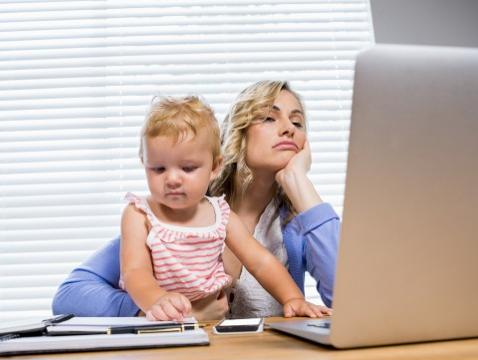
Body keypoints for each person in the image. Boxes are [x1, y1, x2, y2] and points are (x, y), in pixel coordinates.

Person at [52, 80, 340, 319]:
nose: (289, 128)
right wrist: (163, 311)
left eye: (298, 122)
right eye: (268, 117)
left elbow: (348, 302)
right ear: (238, 132)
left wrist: (301, 185)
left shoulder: (298, 225)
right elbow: (71, 294)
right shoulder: (176, 209)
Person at [119, 95, 325, 321]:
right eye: (158, 169)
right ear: (144, 164)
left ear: (215, 167)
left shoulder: (220, 214)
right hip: (161, 322)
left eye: (187, 168)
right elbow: (135, 272)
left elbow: (260, 262)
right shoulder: (139, 214)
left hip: (214, 326)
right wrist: (156, 300)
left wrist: (292, 298)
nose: (172, 179)